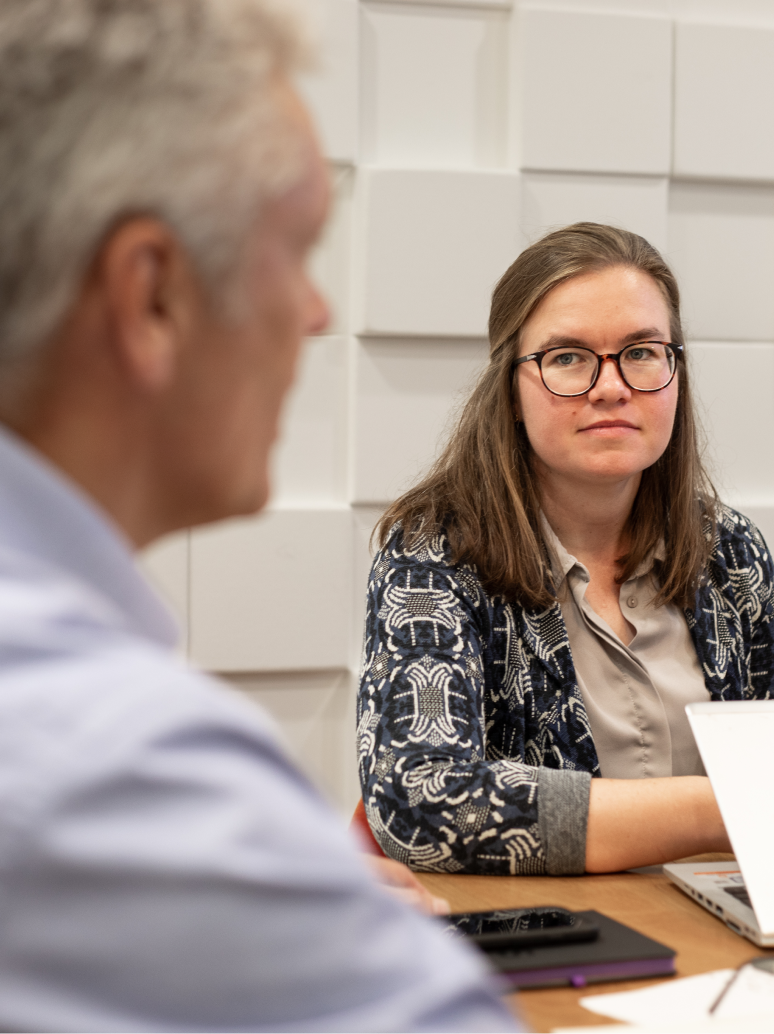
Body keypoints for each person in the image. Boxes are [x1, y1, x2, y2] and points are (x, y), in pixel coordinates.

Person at [0, 1, 522, 1031]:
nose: (318, 311)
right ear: (152, 295)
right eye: (298, 248)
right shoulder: (113, 765)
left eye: (649, 354)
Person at [359, 222, 774, 877]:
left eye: (641, 352)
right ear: (513, 393)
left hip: (729, 937)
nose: (611, 386)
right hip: (551, 946)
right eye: (568, 358)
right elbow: (423, 806)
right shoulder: (436, 556)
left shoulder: (732, 556)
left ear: (676, 372)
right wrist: (725, 808)